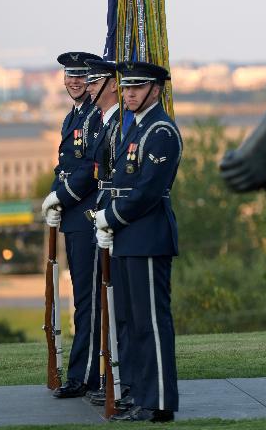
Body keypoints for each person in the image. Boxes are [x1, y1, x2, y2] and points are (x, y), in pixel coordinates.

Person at [93, 60, 182, 423]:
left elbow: (147, 190)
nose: (128, 93)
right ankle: (136, 391)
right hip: (128, 236)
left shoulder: (160, 131)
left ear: (156, 90)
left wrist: (110, 217)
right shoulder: (135, 128)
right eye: (125, 87)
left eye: (137, 87)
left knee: (151, 323)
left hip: (147, 237)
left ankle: (159, 401)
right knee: (130, 321)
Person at [41, 51, 104, 398]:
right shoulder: (72, 118)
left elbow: (91, 171)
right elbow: (63, 167)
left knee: (88, 301)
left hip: (88, 218)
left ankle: (87, 377)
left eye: (81, 76)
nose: (74, 82)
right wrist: (54, 196)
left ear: (92, 80)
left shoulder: (96, 117)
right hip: (73, 220)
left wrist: (60, 197)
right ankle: (83, 374)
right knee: (83, 300)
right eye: (69, 76)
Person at [82, 58, 133, 410]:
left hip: (115, 212)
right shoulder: (102, 120)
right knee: (104, 301)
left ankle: (119, 380)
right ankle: (110, 377)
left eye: (96, 79)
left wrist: (110, 215)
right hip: (102, 208)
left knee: (118, 306)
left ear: (113, 84)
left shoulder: (120, 122)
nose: (88, 85)